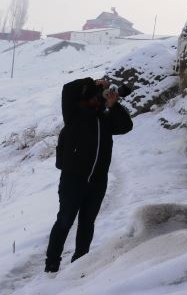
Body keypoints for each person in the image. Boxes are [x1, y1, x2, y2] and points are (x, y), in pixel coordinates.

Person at [44, 77, 133, 273]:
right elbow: (67, 88)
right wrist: (93, 82)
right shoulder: (73, 114)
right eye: (94, 96)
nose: (97, 99)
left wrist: (113, 105)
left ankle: (79, 264)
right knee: (65, 221)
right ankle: (52, 264)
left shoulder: (105, 118)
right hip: (73, 181)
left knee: (87, 224)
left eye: (98, 98)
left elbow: (126, 126)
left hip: (98, 182)